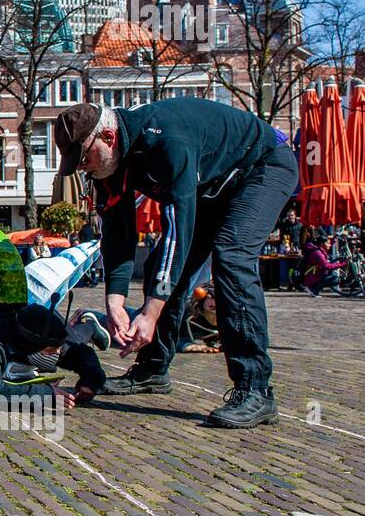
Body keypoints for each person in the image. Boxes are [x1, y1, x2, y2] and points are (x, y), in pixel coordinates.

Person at [55, 99, 298, 428]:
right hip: (213, 185)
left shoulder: (167, 143)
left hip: (262, 166)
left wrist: (150, 313)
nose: (83, 168)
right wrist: (115, 302)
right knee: (162, 267)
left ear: (108, 138)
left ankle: (255, 389)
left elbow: (176, 234)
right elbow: (117, 233)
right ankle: (152, 370)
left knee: (231, 257)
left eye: (84, 158)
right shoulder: (106, 166)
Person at [300, 231, 345, 297]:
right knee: (335, 279)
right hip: (311, 277)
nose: (329, 245)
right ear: (322, 244)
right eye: (328, 243)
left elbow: (329, 244)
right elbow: (327, 266)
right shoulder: (317, 253)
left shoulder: (319, 249)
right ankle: (312, 288)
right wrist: (342, 263)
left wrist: (334, 239)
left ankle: (315, 289)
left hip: (315, 274)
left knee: (331, 275)